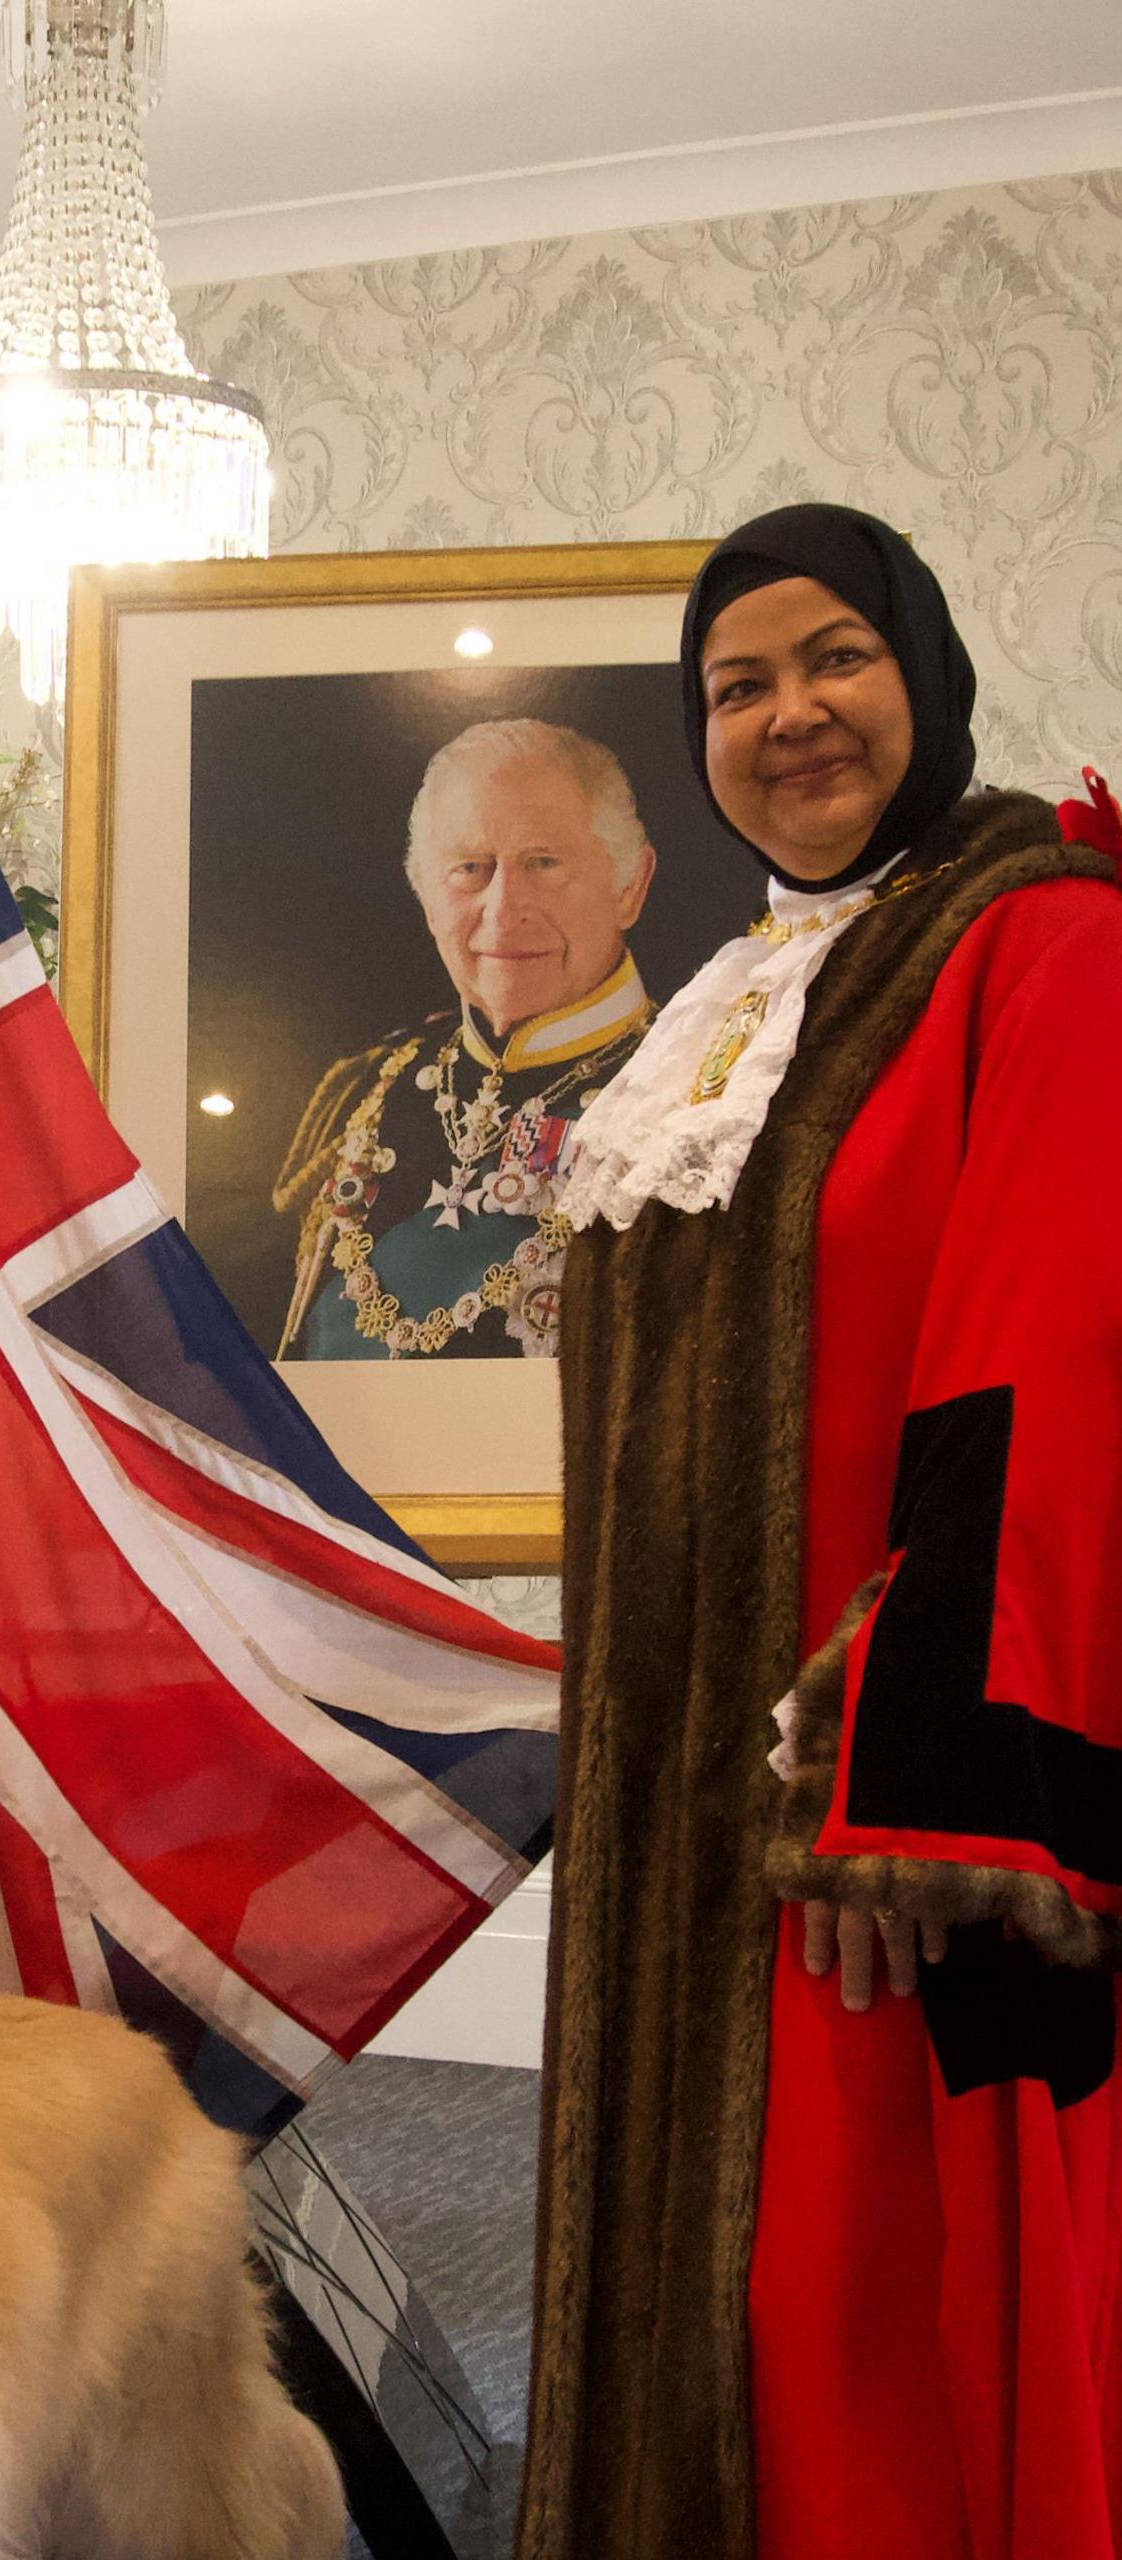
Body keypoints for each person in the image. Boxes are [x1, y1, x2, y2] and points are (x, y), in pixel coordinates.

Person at [521, 503, 1122, 2560]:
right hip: (668, 1830)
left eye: (831, 656)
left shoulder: (1038, 935)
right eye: (733, 684)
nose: (786, 714)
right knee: (662, 2308)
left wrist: (886, 1772)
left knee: (835, 2345)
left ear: (924, 669)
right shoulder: (727, 997)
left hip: (861, 1835)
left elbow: (1039, 1365)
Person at [273, 718, 656, 1359]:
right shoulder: (363, 1090)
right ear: (425, 896)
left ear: (629, 886)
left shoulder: (699, 1091)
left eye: (544, 862)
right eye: (470, 869)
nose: (504, 908)